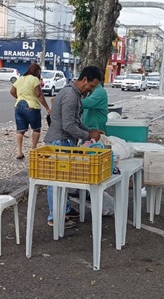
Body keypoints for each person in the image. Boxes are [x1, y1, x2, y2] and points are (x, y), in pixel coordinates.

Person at [43, 66, 105, 228]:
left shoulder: (73, 93)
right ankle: (55, 216)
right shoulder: (71, 95)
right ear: (84, 80)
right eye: (91, 86)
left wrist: (89, 131)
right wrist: (88, 135)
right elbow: (68, 126)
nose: (90, 90)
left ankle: (66, 209)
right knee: (56, 182)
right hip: (59, 142)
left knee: (62, 180)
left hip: (62, 141)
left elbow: (76, 122)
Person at [10, 63, 52, 159]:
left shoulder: (20, 79)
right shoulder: (35, 79)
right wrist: (47, 107)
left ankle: (19, 152)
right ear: (37, 71)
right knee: (36, 129)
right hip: (32, 107)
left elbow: (12, 91)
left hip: (18, 106)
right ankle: (33, 150)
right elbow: (39, 94)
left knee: (20, 131)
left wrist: (19, 98)